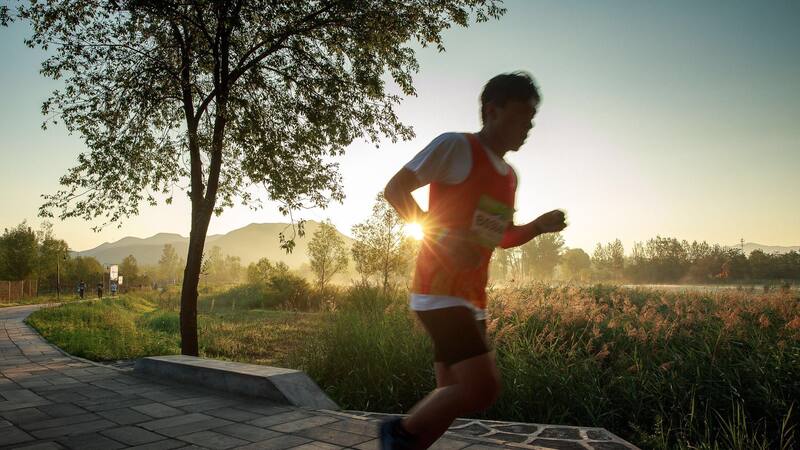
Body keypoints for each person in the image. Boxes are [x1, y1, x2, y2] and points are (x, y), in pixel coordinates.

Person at [381, 72, 567, 449]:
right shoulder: (456, 146)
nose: (528, 126)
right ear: (492, 111)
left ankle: (407, 442)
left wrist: (537, 227)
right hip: (439, 292)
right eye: (521, 115)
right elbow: (395, 189)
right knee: (482, 388)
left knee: (449, 396)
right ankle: (396, 433)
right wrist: (443, 240)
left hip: (472, 299)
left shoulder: (508, 177)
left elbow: (498, 237)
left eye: (532, 118)